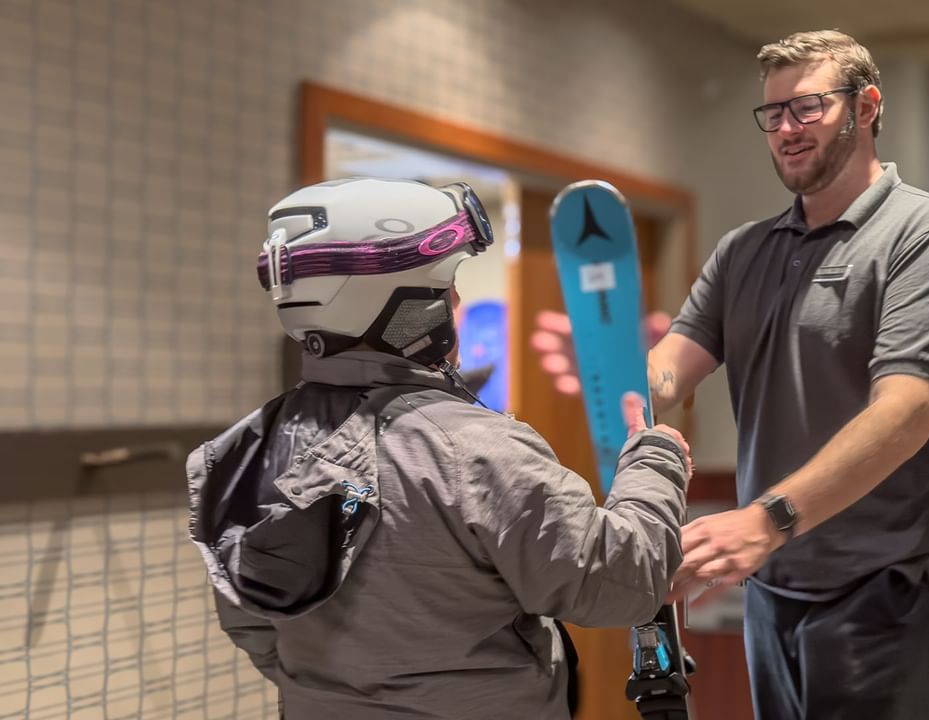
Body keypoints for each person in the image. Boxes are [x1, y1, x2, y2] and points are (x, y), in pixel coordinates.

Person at [533, 30, 929, 719]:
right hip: (776, 573)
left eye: (806, 109)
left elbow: (906, 414)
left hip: (886, 577)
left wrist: (770, 518)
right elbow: (668, 373)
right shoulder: (743, 252)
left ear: (866, 107)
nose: (785, 130)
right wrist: (615, 367)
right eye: (772, 115)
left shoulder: (926, 236)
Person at [187, 177, 693, 720]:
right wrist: (655, 459)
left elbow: (254, 626)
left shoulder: (235, 455)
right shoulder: (477, 450)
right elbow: (623, 582)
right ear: (403, 302)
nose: (457, 299)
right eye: (447, 283)